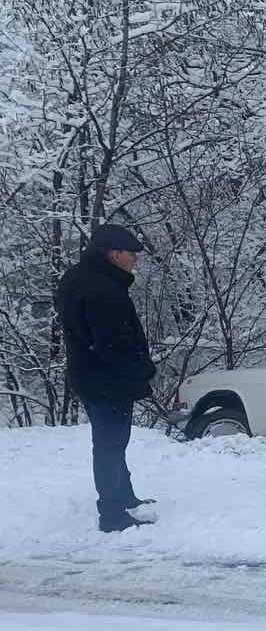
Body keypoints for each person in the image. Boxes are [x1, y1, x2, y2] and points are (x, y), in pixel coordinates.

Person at [54, 224, 158, 532]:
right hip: (106, 379)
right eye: (132, 255)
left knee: (112, 441)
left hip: (87, 374)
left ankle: (123, 496)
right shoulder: (103, 290)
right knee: (110, 443)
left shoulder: (78, 278)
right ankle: (112, 514)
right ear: (115, 254)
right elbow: (113, 343)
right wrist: (142, 370)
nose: (135, 261)